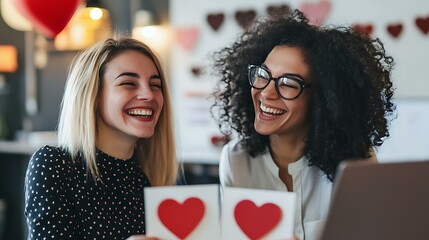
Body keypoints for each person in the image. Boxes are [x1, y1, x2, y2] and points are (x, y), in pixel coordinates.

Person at [211, 9, 395, 240]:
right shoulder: (235, 160)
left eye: (288, 83)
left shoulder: (357, 163)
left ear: (325, 99)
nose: (265, 92)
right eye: (262, 74)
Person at [24, 36, 177, 239]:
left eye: (156, 85)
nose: (149, 95)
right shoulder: (54, 164)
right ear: (93, 96)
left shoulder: (147, 179)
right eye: (129, 83)